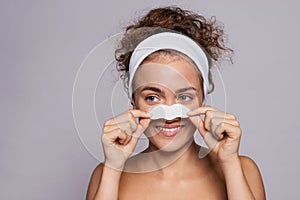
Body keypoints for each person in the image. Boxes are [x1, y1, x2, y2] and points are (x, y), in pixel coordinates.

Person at [86, 6, 266, 200]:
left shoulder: (242, 170)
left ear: (202, 99)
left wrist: (229, 163)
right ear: (134, 102)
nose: (170, 115)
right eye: (153, 98)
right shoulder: (106, 175)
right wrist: (113, 168)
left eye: (184, 97)